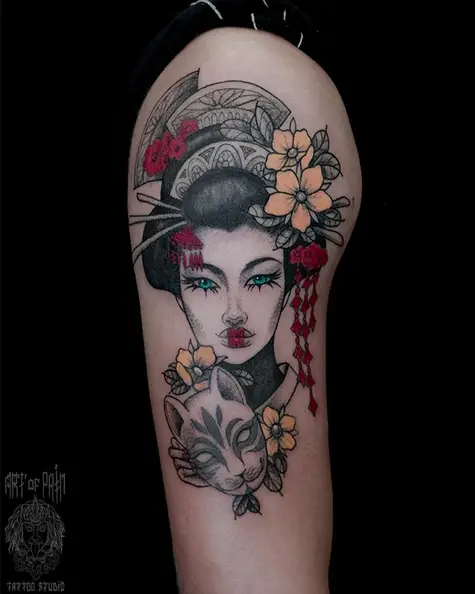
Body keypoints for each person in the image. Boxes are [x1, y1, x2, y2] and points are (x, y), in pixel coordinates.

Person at [128, 25, 361, 594]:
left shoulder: (266, 66)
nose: (234, 314)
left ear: (292, 273)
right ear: (175, 282)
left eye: (259, 279)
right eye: (205, 283)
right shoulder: (246, 60)